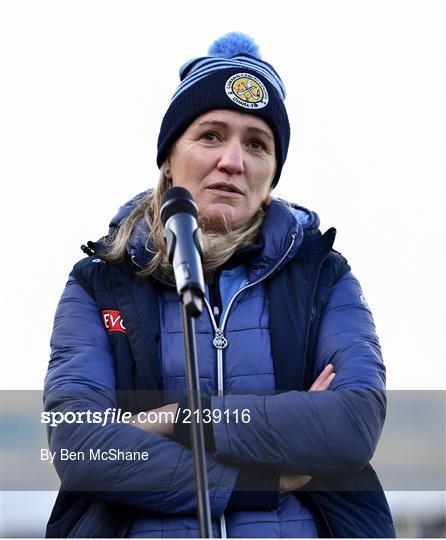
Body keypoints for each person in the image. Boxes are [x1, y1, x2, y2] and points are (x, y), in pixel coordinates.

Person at [44, 32, 396, 538]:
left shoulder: (323, 276)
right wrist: (259, 480)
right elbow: (83, 447)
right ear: (168, 157)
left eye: (257, 144)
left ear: (272, 173)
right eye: (211, 135)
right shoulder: (100, 284)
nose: (234, 160)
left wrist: (185, 418)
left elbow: (353, 422)